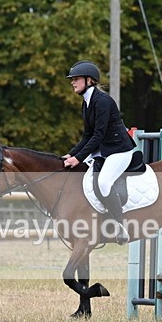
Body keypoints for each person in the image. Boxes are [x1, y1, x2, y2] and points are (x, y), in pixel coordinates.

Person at [62, 60, 135, 245]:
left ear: (89, 80)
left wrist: (78, 158)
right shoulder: (86, 104)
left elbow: (98, 135)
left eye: (76, 79)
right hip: (104, 151)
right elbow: (87, 136)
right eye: (73, 79)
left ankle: (120, 226)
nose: (73, 82)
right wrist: (71, 155)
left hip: (119, 151)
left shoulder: (102, 101)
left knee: (103, 182)